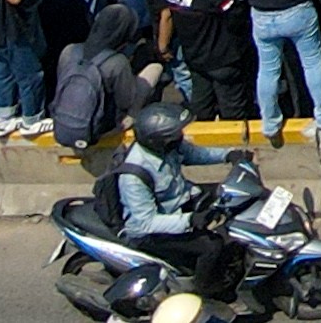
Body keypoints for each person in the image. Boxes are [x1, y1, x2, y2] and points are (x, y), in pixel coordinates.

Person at [105, 99, 247, 278]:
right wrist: (190, 220)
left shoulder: (166, 148)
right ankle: (208, 291)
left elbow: (195, 154)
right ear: (158, 140)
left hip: (182, 202)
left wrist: (229, 154)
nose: (179, 138)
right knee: (212, 246)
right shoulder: (134, 176)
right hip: (152, 233)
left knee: (232, 198)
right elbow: (146, 223)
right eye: (174, 136)